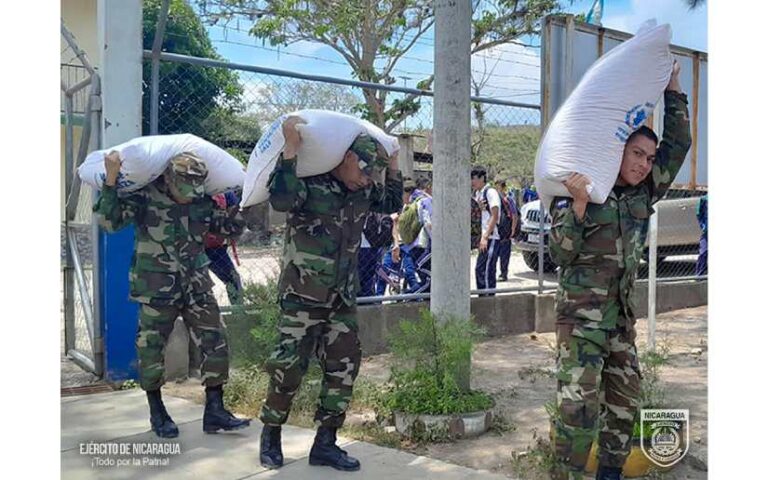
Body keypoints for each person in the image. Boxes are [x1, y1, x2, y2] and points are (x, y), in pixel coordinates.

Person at [548, 61, 691, 480]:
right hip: (580, 323)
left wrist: (674, 87)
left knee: (625, 399)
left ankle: (610, 472)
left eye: (649, 158)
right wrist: (576, 207)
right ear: (618, 151)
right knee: (577, 407)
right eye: (637, 154)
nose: (645, 164)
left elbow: (677, 144)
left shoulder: (642, 194)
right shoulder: (584, 189)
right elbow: (559, 254)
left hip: (620, 320)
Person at [259, 117, 403, 471]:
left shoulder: (364, 189)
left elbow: (390, 202)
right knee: (288, 367)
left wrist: (395, 163)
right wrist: (291, 149)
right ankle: (271, 434)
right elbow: (280, 198)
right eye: (364, 172)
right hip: (302, 296)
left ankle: (326, 442)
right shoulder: (309, 184)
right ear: (347, 158)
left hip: (341, 298)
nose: (367, 181)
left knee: (344, 367)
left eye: (372, 177)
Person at [93, 151, 251, 439]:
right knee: (151, 349)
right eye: (184, 189)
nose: (189, 196)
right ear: (169, 178)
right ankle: (157, 411)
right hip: (156, 286)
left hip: (196, 282)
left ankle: (215, 409)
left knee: (215, 340)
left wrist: (244, 200)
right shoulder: (145, 197)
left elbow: (228, 229)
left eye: (195, 190)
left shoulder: (201, 201)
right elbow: (109, 221)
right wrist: (111, 180)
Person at [205, 191, 244, 305]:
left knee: (233, 279)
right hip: (193, 247)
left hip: (214, 248)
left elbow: (236, 218)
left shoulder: (226, 192)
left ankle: (238, 314)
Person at [471, 166, 501, 296]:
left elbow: (495, 215)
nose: (472, 182)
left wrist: (485, 237)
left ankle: (489, 300)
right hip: (484, 237)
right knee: (480, 269)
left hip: (491, 237)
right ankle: (483, 298)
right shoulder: (478, 194)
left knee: (487, 270)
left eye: (474, 178)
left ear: (482, 178)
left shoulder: (490, 192)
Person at [494, 178, 520, 282]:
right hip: (497, 229)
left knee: (504, 254)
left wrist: (513, 229)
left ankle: (503, 274)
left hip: (505, 230)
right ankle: (496, 273)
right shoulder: (495, 199)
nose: (497, 189)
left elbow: (514, 215)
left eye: (499, 186)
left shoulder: (508, 199)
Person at [695, 194, 708, 276]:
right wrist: (703, 226)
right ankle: (699, 275)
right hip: (707, 232)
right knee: (703, 252)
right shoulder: (704, 199)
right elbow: (699, 213)